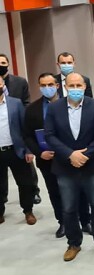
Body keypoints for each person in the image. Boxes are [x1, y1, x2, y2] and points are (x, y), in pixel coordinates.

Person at [45, 73, 94, 262]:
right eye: (71, 85)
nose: (75, 89)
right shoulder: (54, 108)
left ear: (84, 87)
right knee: (68, 207)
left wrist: (86, 154)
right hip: (65, 166)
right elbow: (49, 135)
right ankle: (73, 243)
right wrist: (70, 154)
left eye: (78, 85)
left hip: (93, 165)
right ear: (65, 87)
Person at [23, 73, 91, 237]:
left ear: (58, 86)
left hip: (72, 156)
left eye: (50, 84)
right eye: (43, 85)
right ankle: (63, 222)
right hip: (48, 159)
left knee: (80, 190)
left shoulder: (71, 103)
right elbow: (28, 136)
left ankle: (85, 221)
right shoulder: (32, 109)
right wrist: (40, 153)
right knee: (55, 192)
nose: (47, 88)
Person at [0, 53, 40, 205]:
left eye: (3, 63)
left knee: (26, 173)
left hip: (18, 132)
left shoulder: (19, 82)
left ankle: (34, 193)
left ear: (8, 64)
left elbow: (26, 103)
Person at [0, 76, 36, 225]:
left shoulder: (15, 103)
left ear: (3, 84)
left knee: (25, 183)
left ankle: (28, 211)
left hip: (16, 150)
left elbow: (25, 128)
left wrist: (28, 150)